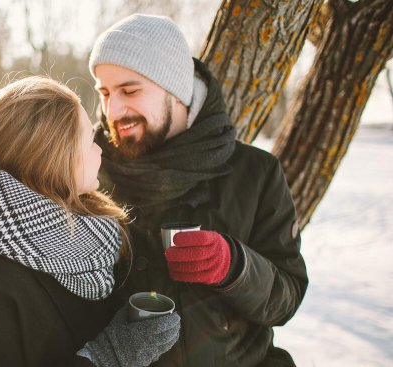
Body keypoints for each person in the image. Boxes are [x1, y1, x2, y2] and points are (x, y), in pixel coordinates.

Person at [88, 14, 309, 367]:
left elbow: (287, 297)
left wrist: (235, 266)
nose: (113, 110)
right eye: (105, 93)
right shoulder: (90, 172)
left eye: (129, 90)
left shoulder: (255, 173)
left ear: (175, 89)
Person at [0, 76, 181, 367]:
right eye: (89, 141)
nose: (100, 150)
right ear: (54, 156)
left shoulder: (92, 239)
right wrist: (107, 359)